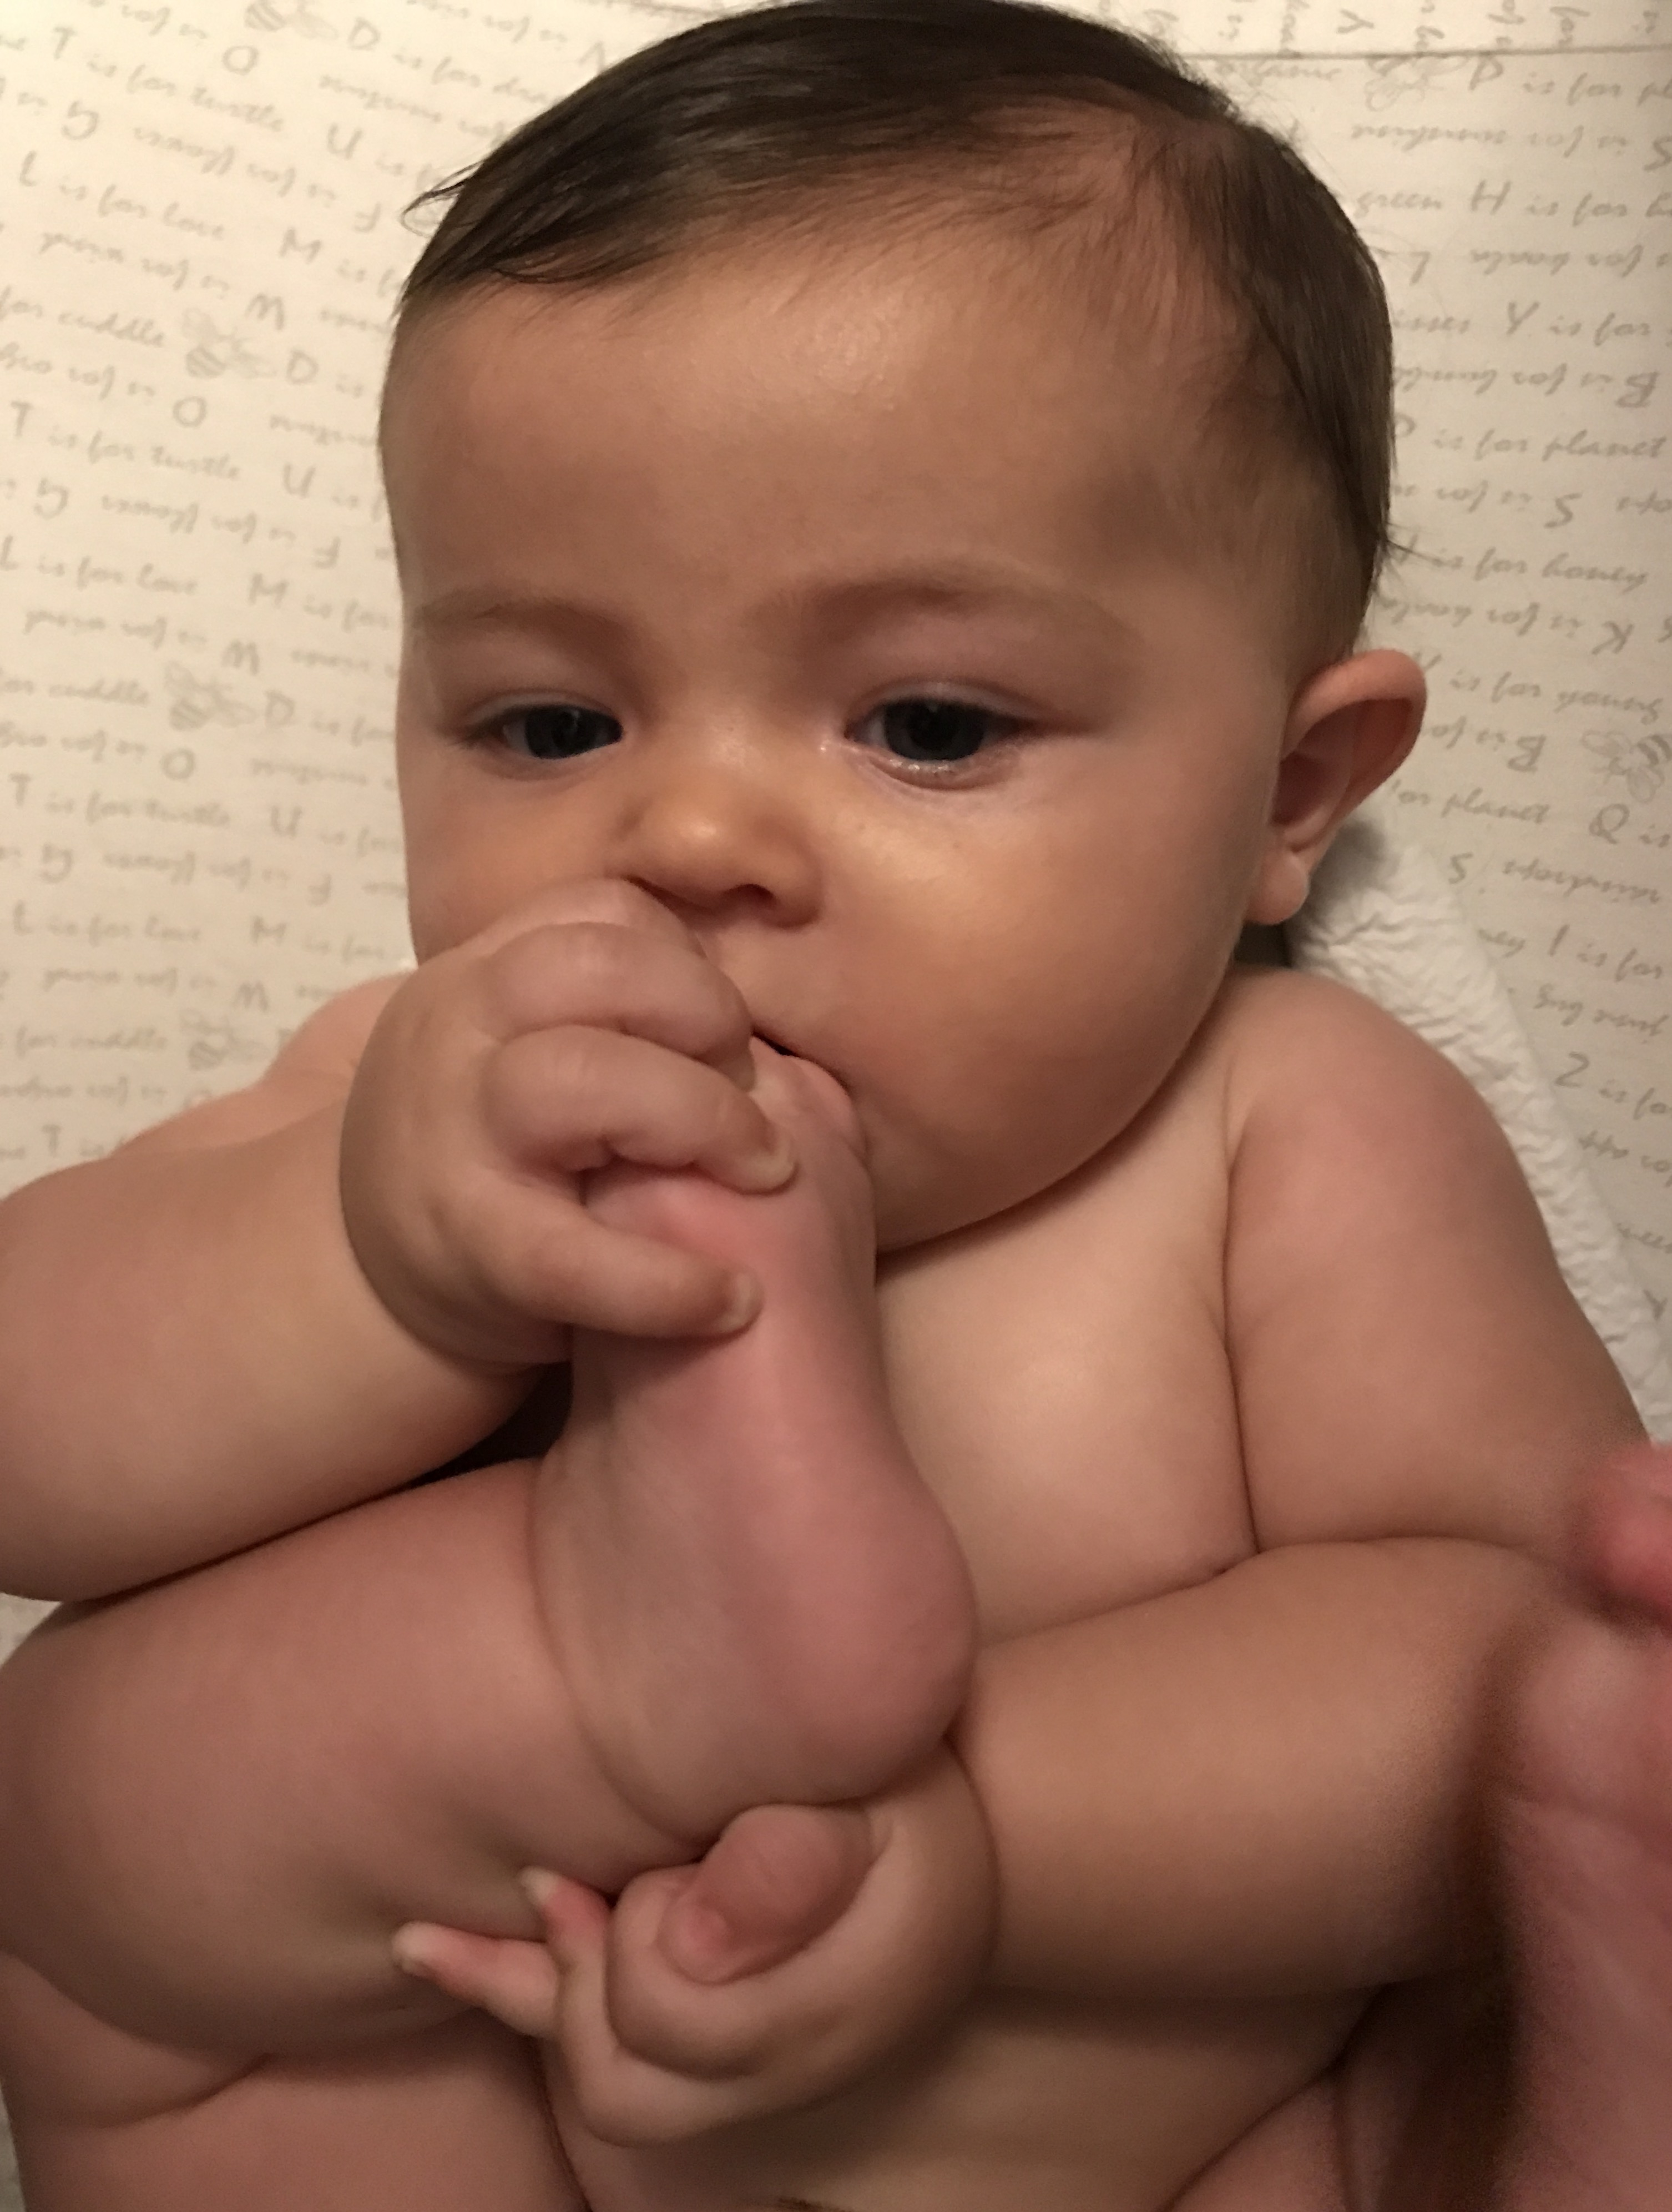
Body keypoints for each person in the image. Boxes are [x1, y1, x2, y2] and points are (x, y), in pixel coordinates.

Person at [0, 3, 1660, 2206]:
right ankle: (597, 1660)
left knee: (1553, 1856)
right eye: (550, 723)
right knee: (70, 1807)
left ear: (1290, 790)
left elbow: (1494, 1662)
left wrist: (974, 1839)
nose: (687, 837)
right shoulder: (425, 1100)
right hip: (487, 2106)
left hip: (1162, 2151)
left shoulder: (1287, 1127)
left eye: (931, 724)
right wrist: (371, 1266)